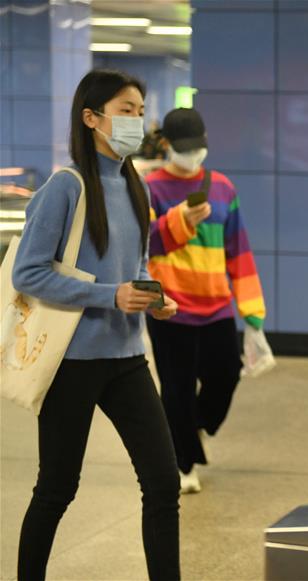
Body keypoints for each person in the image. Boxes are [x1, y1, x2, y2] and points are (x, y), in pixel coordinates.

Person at [11, 69, 181, 580]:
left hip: (127, 358)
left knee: (162, 482)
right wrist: (110, 295)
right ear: (91, 118)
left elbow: (135, 268)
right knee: (57, 488)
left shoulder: (137, 186)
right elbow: (29, 271)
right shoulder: (66, 188)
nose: (136, 120)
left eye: (140, 111)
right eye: (125, 110)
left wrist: (151, 297)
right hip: (72, 362)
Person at [145, 107, 267, 494]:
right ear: (166, 145)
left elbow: (240, 252)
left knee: (226, 375)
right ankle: (181, 464)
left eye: (198, 147)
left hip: (216, 306)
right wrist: (180, 220)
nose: (192, 154)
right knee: (176, 388)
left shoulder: (222, 187)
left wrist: (252, 314)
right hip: (170, 308)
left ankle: (188, 429)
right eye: (184, 148)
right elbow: (142, 243)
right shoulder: (150, 188)